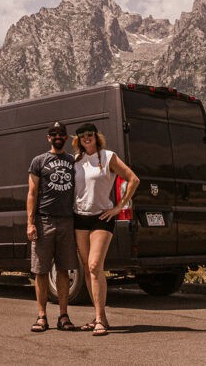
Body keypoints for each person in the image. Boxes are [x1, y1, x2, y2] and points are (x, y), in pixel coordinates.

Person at [72, 122, 139, 336]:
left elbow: (133, 179)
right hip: (79, 217)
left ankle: (100, 319)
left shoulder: (108, 156)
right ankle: (99, 316)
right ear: (79, 140)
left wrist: (120, 206)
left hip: (102, 217)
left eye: (90, 134)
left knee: (94, 266)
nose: (86, 138)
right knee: (87, 266)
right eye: (82, 136)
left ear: (96, 136)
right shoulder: (75, 160)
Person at [26, 121, 78, 332]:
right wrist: (30, 223)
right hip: (44, 220)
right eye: (53, 133)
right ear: (49, 137)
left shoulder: (73, 161)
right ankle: (41, 317)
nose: (57, 136)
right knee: (41, 271)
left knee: (64, 270)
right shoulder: (38, 161)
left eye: (61, 134)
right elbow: (32, 193)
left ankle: (63, 316)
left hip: (67, 220)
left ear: (66, 138)